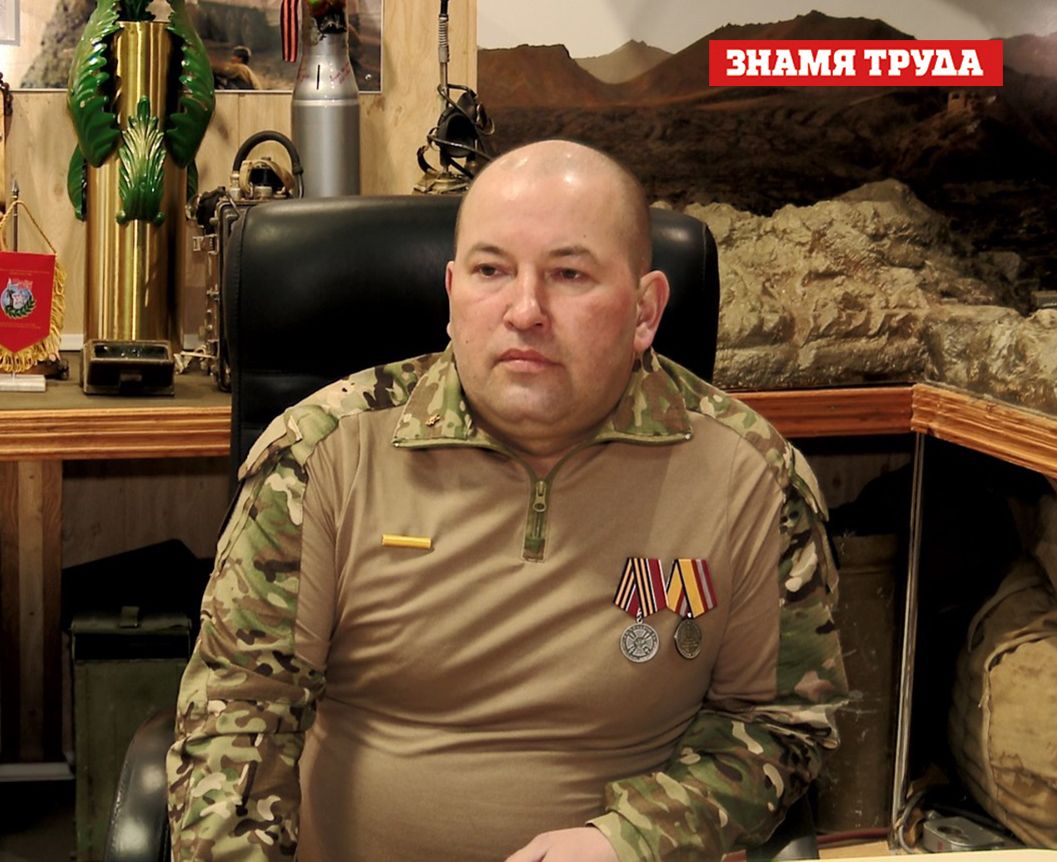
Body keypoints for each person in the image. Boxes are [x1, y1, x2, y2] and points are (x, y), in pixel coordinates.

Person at [167, 139, 848, 861]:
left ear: (645, 311)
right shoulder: (321, 454)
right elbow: (236, 721)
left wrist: (634, 839)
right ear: (452, 294)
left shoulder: (751, 478)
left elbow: (781, 724)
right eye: (491, 271)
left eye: (569, 274)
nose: (525, 311)